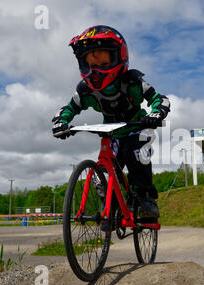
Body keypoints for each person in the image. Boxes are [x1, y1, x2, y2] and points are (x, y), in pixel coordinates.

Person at [51, 25, 170, 228]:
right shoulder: (86, 91)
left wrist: (156, 113)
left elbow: (160, 99)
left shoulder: (132, 81)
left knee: (137, 156)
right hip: (112, 132)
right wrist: (61, 122)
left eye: (104, 63)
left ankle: (146, 199)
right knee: (103, 175)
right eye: (91, 64)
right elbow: (69, 108)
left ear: (119, 58)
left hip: (137, 127)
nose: (96, 70)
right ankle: (112, 208)